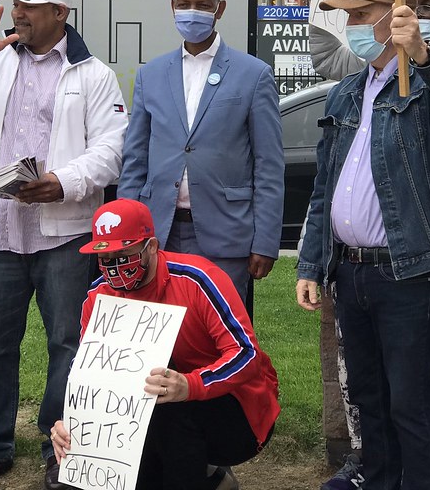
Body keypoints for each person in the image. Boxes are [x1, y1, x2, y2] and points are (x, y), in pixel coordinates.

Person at [296, 0, 430, 490]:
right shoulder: (346, 91)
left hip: (407, 272)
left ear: (394, 15)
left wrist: (422, 52)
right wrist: (311, 263)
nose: (352, 25)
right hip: (350, 270)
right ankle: (378, 478)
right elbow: (326, 185)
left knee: (410, 400)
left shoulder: (424, 82)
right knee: (367, 396)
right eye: (349, 16)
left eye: (361, 14)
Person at [0, 0, 128, 490]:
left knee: (68, 343)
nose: (17, 13)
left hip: (64, 232)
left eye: (28, 6)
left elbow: (112, 149)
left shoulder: (93, 74)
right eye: (15, 3)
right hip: (0, 230)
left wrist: (63, 182)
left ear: (59, 13)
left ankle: (60, 448)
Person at [51, 198, 280, 490]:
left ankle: (199, 474)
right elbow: (90, 375)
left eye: (124, 254)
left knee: (164, 403)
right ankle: (210, 480)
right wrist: (69, 421)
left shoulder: (198, 279)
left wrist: (190, 385)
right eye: (105, 257)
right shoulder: (98, 297)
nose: (114, 266)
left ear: (152, 247)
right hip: (151, 408)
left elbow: (246, 354)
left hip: (236, 410)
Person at [117, 0, 285, 303]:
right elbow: (135, 159)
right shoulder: (151, 74)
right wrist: (126, 230)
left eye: (203, 5)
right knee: (161, 328)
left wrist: (265, 241)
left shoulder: (253, 75)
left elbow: (268, 164)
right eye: (184, 4)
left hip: (225, 236)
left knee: (218, 326)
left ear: (219, 9)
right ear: (173, 7)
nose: (192, 12)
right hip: (159, 233)